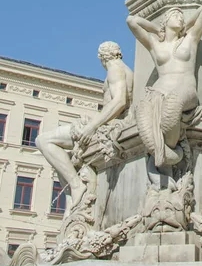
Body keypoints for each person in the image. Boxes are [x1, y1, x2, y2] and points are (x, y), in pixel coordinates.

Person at [36, 42, 133, 210]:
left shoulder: (114, 68)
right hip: (108, 125)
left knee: (43, 140)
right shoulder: (124, 68)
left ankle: (76, 186)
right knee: (64, 156)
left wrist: (91, 126)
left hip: (106, 129)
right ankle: (74, 199)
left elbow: (119, 102)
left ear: (102, 57)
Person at [126, 3, 202, 177]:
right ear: (165, 21)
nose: (180, 17)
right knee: (142, 112)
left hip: (185, 90)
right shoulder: (154, 44)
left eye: (181, 15)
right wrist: (157, 29)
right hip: (157, 92)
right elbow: (132, 21)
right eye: (175, 15)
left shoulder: (191, 38)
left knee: (172, 104)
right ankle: (165, 159)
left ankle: (170, 156)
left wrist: (185, 26)